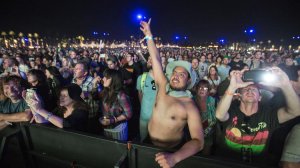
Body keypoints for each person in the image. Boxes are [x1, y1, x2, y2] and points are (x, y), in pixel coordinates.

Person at [140, 19, 204, 168]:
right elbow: (155, 59)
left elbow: (198, 142)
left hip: (171, 151)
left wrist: (175, 158)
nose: (176, 76)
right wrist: (149, 35)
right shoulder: (163, 85)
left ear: (188, 81)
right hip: (147, 143)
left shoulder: (189, 106)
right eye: (175, 73)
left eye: (182, 75)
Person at [215, 67, 300, 164]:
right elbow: (219, 115)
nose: (250, 91)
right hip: (226, 163)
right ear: (239, 96)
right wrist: (233, 86)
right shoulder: (231, 109)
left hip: (257, 163)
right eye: (246, 89)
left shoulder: (269, 114)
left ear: (260, 97)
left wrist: (286, 85)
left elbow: (295, 111)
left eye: (254, 89)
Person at [98, 69, 132, 141]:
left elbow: (128, 114)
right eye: (104, 76)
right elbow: (94, 97)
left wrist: (113, 120)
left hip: (118, 128)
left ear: (114, 80)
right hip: (106, 127)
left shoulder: (121, 95)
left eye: (107, 77)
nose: (103, 79)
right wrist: (95, 85)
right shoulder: (106, 91)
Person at [193, 80, 217, 155]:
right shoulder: (191, 101)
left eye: (205, 88)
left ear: (209, 91)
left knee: (206, 156)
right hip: (192, 135)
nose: (202, 89)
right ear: (196, 89)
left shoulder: (213, 101)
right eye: (199, 87)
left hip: (208, 135)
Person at [136, 56, 157, 142]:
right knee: (143, 140)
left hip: (159, 119)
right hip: (144, 118)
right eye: (148, 59)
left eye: (152, 58)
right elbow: (140, 93)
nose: (149, 60)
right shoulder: (141, 78)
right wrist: (144, 108)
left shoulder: (165, 79)